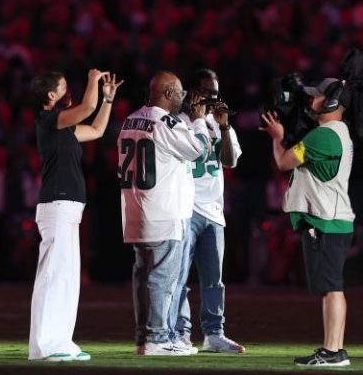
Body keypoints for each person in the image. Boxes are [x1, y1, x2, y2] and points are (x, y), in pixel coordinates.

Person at [27, 69, 122, 362]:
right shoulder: (48, 121)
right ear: (50, 95)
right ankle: (44, 346)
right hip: (56, 206)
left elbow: (96, 130)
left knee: (67, 279)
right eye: (64, 87)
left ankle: (61, 342)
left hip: (68, 209)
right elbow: (86, 108)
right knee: (53, 277)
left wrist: (107, 100)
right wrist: (93, 81)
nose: (69, 91)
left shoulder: (65, 127)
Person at [260, 78, 354, 367]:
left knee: (331, 288)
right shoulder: (335, 132)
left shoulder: (325, 135)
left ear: (333, 101)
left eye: (318, 97)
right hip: (332, 219)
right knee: (331, 287)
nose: (312, 101)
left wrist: (277, 137)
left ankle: (333, 351)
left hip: (326, 220)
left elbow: (285, 162)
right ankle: (334, 349)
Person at [119, 71, 209, 356]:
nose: (183, 98)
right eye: (180, 92)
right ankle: (157, 338)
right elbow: (201, 151)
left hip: (135, 210)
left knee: (142, 277)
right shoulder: (166, 122)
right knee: (161, 279)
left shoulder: (130, 118)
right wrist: (198, 121)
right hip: (164, 211)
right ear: (168, 93)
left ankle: (142, 337)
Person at [168, 68, 245, 353]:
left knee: (214, 279)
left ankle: (214, 334)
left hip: (213, 211)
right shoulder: (178, 121)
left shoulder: (220, 123)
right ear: (192, 93)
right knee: (180, 277)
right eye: (206, 93)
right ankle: (180, 333)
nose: (212, 99)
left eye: (215, 93)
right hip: (185, 208)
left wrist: (223, 127)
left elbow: (230, 161)